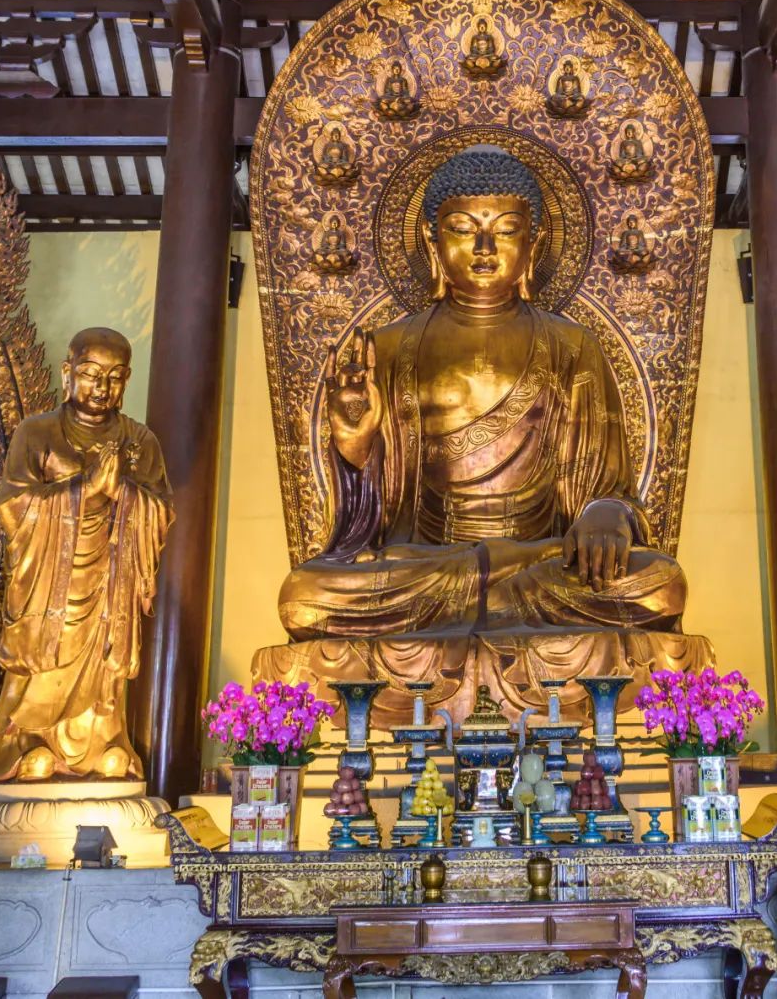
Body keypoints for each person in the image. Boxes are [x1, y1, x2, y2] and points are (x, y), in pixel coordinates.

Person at [278, 147, 702, 672]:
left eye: (505, 230)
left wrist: (605, 513)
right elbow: (364, 532)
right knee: (304, 595)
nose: (483, 248)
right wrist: (354, 446)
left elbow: (606, 487)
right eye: (462, 228)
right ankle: (493, 592)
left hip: (541, 563)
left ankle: (488, 593)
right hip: (429, 564)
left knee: (661, 584)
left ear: (533, 243)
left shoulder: (573, 346)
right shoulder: (385, 349)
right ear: (432, 241)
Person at [0, 328, 172, 782]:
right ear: (68, 373)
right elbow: (11, 505)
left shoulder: (140, 441)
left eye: (115, 377)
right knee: (45, 657)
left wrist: (122, 491)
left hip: (110, 582)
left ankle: (101, 742)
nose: (102, 387)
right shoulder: (37, 431)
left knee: (105, 667)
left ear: (126, 380)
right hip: (49, 585)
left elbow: (161, 510)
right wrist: (87, 488)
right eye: (90, 374)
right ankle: (28, 740)